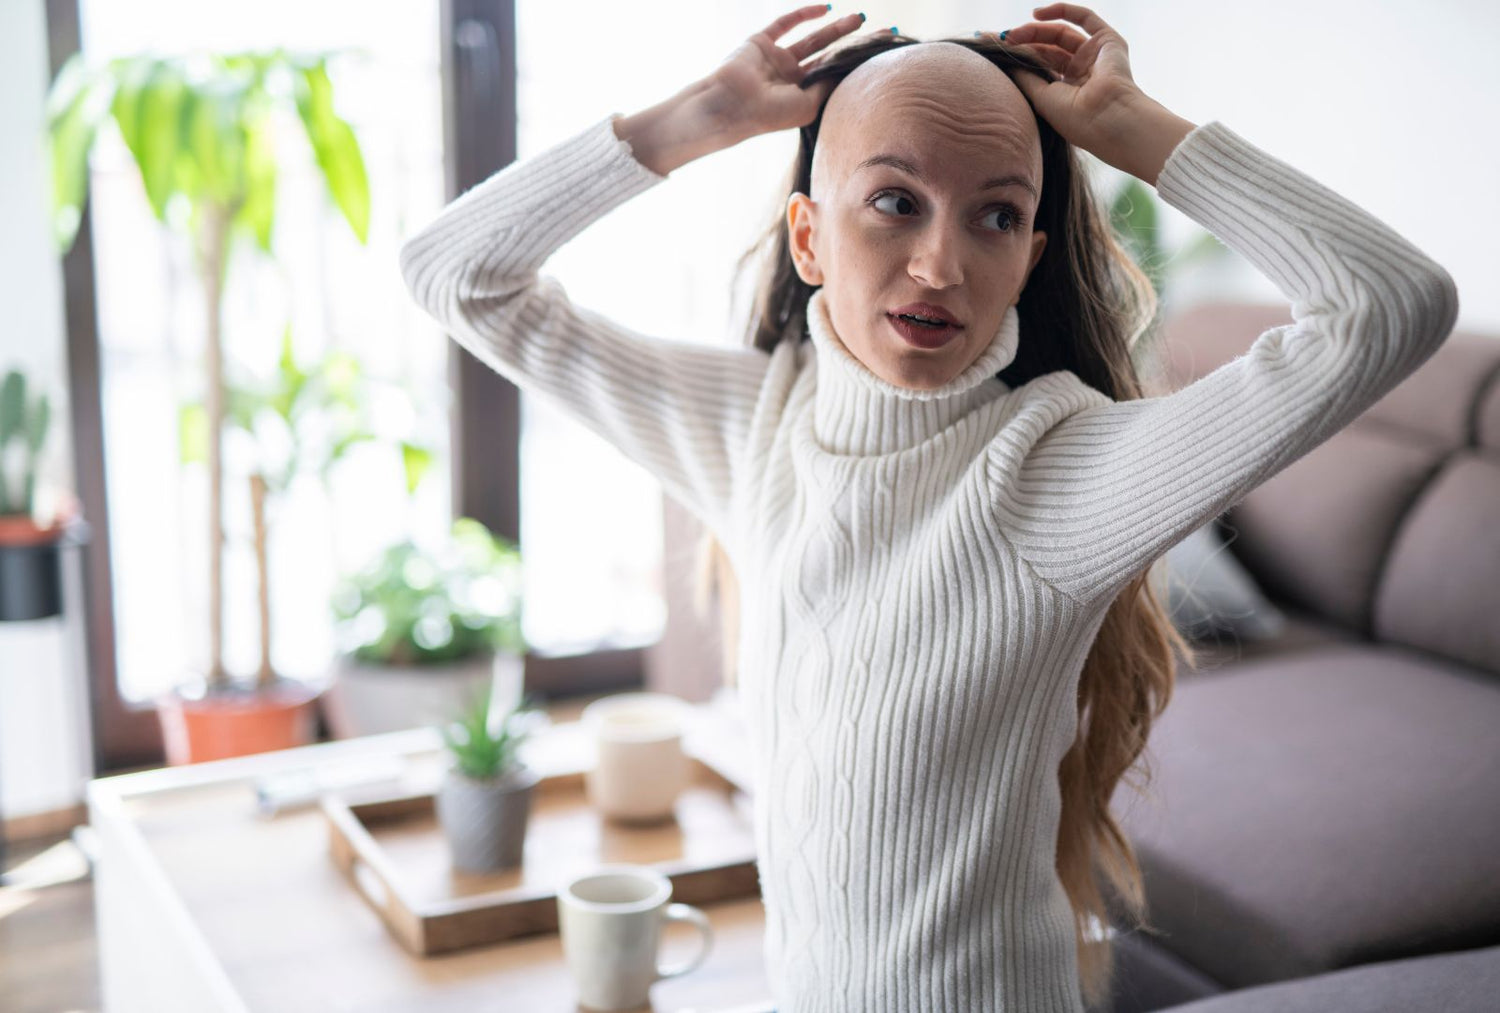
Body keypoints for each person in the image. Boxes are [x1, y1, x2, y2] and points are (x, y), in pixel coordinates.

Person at [397, 4, 1460, 1010]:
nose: (942, 264)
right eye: (896, 200)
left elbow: (1392, 305)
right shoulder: (750, 425)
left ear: (1028, 258)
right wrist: (703, 117)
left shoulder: (1060, 473)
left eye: (997, 214)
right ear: (808, 237)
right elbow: (456, 273)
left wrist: (1136, 129)